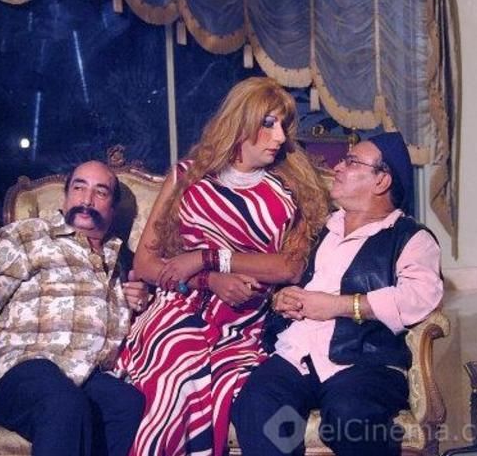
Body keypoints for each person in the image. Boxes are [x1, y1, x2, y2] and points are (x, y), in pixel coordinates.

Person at [116, 76, 330, 455]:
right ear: (240, 122)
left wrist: (207, 257)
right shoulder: (186, 176)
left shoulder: (291, 187)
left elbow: (291, 268)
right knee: (177, 368)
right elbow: (146, 262)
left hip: (246, 321)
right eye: (268, 124)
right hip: (179, 307)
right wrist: (209, 280)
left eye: (283, 125)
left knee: (238, 386)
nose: (280, 137)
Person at [231, 132, 444, 456]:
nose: (338, 167)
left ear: (382, 180)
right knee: (258, 404)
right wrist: (281, 298)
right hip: (297, 356)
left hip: (364, 363)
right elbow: (284, 278)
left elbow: (420, 296)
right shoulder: (317, 230)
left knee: (349, 416)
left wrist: (340, 306)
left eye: (351, 162)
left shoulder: (410, 238)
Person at [0, 160, 148, 456]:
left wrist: (138, 301)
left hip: (85, 373)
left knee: (126, 403)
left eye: (100, 192)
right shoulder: (28, 235)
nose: (87, 200)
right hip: (24, 368)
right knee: (63, 403)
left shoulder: (119, 260)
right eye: (79, 188)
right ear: (65, 197)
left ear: (112, 209)